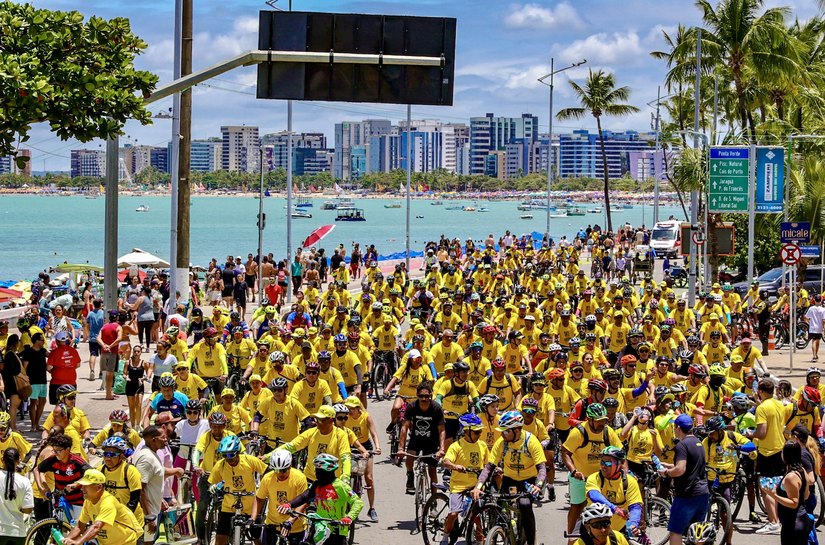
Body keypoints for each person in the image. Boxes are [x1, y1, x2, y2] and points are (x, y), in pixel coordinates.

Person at [472, 411, 546, 545]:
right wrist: (478, 486)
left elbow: (542, 468)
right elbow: (489, 467)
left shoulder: (531, 441)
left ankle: (530, 541)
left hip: (528, 481)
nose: (502, 434)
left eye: (506, 431)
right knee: (497, 507)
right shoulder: (502, 442)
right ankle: (497, 532)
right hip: (509, 479)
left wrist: (538, 485)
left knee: (525, 505)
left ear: (517, 430)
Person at [276, 454, 363, 545]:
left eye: (317, 470)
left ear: (326, 471)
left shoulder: (340, 486)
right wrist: (289, 504)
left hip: (336, 531)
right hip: (318, 528)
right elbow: (305, 496)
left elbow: (357, 502)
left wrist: (349, 517)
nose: (315, 472)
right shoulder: (317, 484)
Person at [657, 414, 708, 545]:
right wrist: (670, 466)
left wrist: (666, 473)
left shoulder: (682, 445)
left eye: (674, 427)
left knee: (676, 531)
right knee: (697, 532)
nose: (674, 429)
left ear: (678, 428)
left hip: (687, 494)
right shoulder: (698, 443)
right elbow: (692, 466)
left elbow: (680, 469)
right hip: (702, 493)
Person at [208, 435, 267, 545]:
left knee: (256, 538)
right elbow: (212, 482)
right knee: (220, 539)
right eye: (225, 455)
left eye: (231, 454)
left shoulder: (249, 460)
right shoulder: (220, 465)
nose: (228, 458)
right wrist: (214, 487)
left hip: (250, 505)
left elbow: (267, 472)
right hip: (229, 505)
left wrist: (264, 488)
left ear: (238, 451)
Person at [746, 378, 786, 534]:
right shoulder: (778, 404)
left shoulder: (762, 408)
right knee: (777, 487)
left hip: (766, 451)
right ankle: (778, 519)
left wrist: (750, 434)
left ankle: (773, 521)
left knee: (765, 488)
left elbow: (761, 433)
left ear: (761, 391)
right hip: (780, 449)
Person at [61, 469, 142, 545]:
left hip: (125, 542)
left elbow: (96, 527)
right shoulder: (88, 501)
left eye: (86, 486)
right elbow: (79, 526)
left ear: (99, 487)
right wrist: (67, 539)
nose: (82, 488)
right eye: (82, 485)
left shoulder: (108, 502)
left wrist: (78, 542)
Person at [441, 413, 489, 544]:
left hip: (476, 487)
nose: (479, 434)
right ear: (466, 431)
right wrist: (455, 466)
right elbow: (446, 462)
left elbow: (488, 465)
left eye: (480, 431)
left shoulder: (483, 445)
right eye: (476, 432)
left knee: (477, 514)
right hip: (458, 486)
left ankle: (481, 539)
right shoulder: (456, 446)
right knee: (453, 514)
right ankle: (445, 536)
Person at [761, 440, 814, 545]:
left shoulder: (791, 477)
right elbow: (806, 495)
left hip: (794, 524)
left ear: (785, 455)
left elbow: (794, 503)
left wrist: (773, 495)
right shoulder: (802, 470)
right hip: (799, 521)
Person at [396, 382, 446, 494]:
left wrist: (441, 449)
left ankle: (433, 501)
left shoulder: (436, 409)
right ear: (417, 395)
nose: (424, 399)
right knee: (409, 458)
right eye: (421, 396)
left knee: (432, 470)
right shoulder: (411, 407)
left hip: (432, 442)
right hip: (416, 439)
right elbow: (404, 428)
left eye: (427, 396)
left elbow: (442, 430)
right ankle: (410, 475)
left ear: (431, 395)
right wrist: (400, 448)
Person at [584, 446, 642, 539]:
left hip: (619, 530)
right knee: (572, 540)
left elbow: (635, 507)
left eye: (608, 462)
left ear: (620, 464)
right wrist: (614, 508)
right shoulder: (593, 478)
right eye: (602, 462)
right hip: (594, 527)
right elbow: (593, 494)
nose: (603, 465)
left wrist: (633, 524)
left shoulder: (630, 481)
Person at [252, 450, 308, 545]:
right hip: (272, 525)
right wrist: (252, 519)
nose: (280, 474)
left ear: (290, 466)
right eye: (277, 470)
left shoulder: (300, 478)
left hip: (294, 528)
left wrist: (290, 521)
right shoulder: (267, 478)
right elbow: (259, 498)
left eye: (284, 470)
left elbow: (303, 502)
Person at [131, 425, 167, 543]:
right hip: (147, 514)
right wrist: (149, 517)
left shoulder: (152, 453)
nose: (166, 439)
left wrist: (160, 500)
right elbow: (139, 490)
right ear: (154, 440)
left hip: (153, 510)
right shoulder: (146, 459)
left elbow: (153, 481)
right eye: (163, 437)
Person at [0, 448, 34, 545]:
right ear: (19, 460)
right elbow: (28, 509)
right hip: (17, 532)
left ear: (2, 460)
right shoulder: (24, 482)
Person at [98, 310, 124, 401]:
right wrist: (110, 346)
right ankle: (108, 394)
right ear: (116, 317)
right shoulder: (118, 327)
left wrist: (104, 345)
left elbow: (98, 338)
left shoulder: (104, 326)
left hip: (104, 352)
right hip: (112, 352)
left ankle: (109, 392)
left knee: (106, 373)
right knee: (110, 374)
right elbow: (119, 338)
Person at [1, 336, 24, 431]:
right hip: (13, 383)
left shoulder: (9, 354)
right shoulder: (10, 354)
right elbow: (14, 370)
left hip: (12, 382)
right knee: (13, 407)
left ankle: (14, 427)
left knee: (14, 406)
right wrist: (23, 376)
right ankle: (13, 427)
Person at [804, 294, 825, 361]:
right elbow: (824, 320)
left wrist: (809, 323)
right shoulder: (823, 309)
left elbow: (806, 317)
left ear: (814, 300)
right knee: (817, 341)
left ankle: (814, 355)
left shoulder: (811, 308)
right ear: (821, 300)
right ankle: (815, 355)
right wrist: (824, 328)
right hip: (819, 328)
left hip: (812, 327)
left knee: (814, 341)